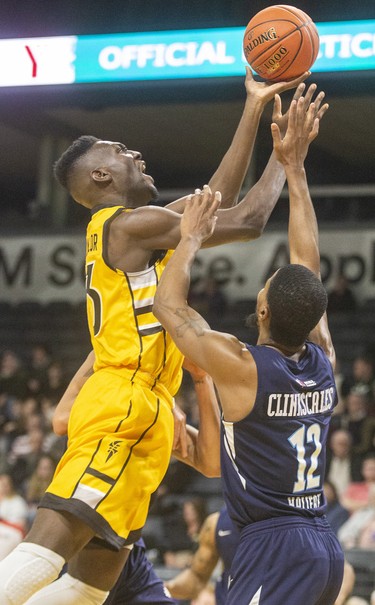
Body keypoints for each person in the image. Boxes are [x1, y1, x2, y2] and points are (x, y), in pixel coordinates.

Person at [0, 66, 309, 605]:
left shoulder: (142, 229)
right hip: (123, 401)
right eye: (122, 151)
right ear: (99, 177)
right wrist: (282, 159)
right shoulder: (123, 224)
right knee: (44, 548)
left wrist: (256, 112)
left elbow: (221, 207)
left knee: (88, 587)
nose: (137, 155)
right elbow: (242, 218)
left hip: (146, 409)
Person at [153, 90, 346, 603]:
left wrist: (189, 237)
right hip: (323, 545)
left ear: (262, 313)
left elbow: (168, 309)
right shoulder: (322, 358)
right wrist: (295, 170)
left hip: (273, 546)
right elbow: (309, 262)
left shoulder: (244, 367)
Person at [166, 506, 355, 605]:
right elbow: (197, 576)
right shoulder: (216, 523)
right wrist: (163, 589)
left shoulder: (288, 521)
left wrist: (336, 600)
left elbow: (344, 569)